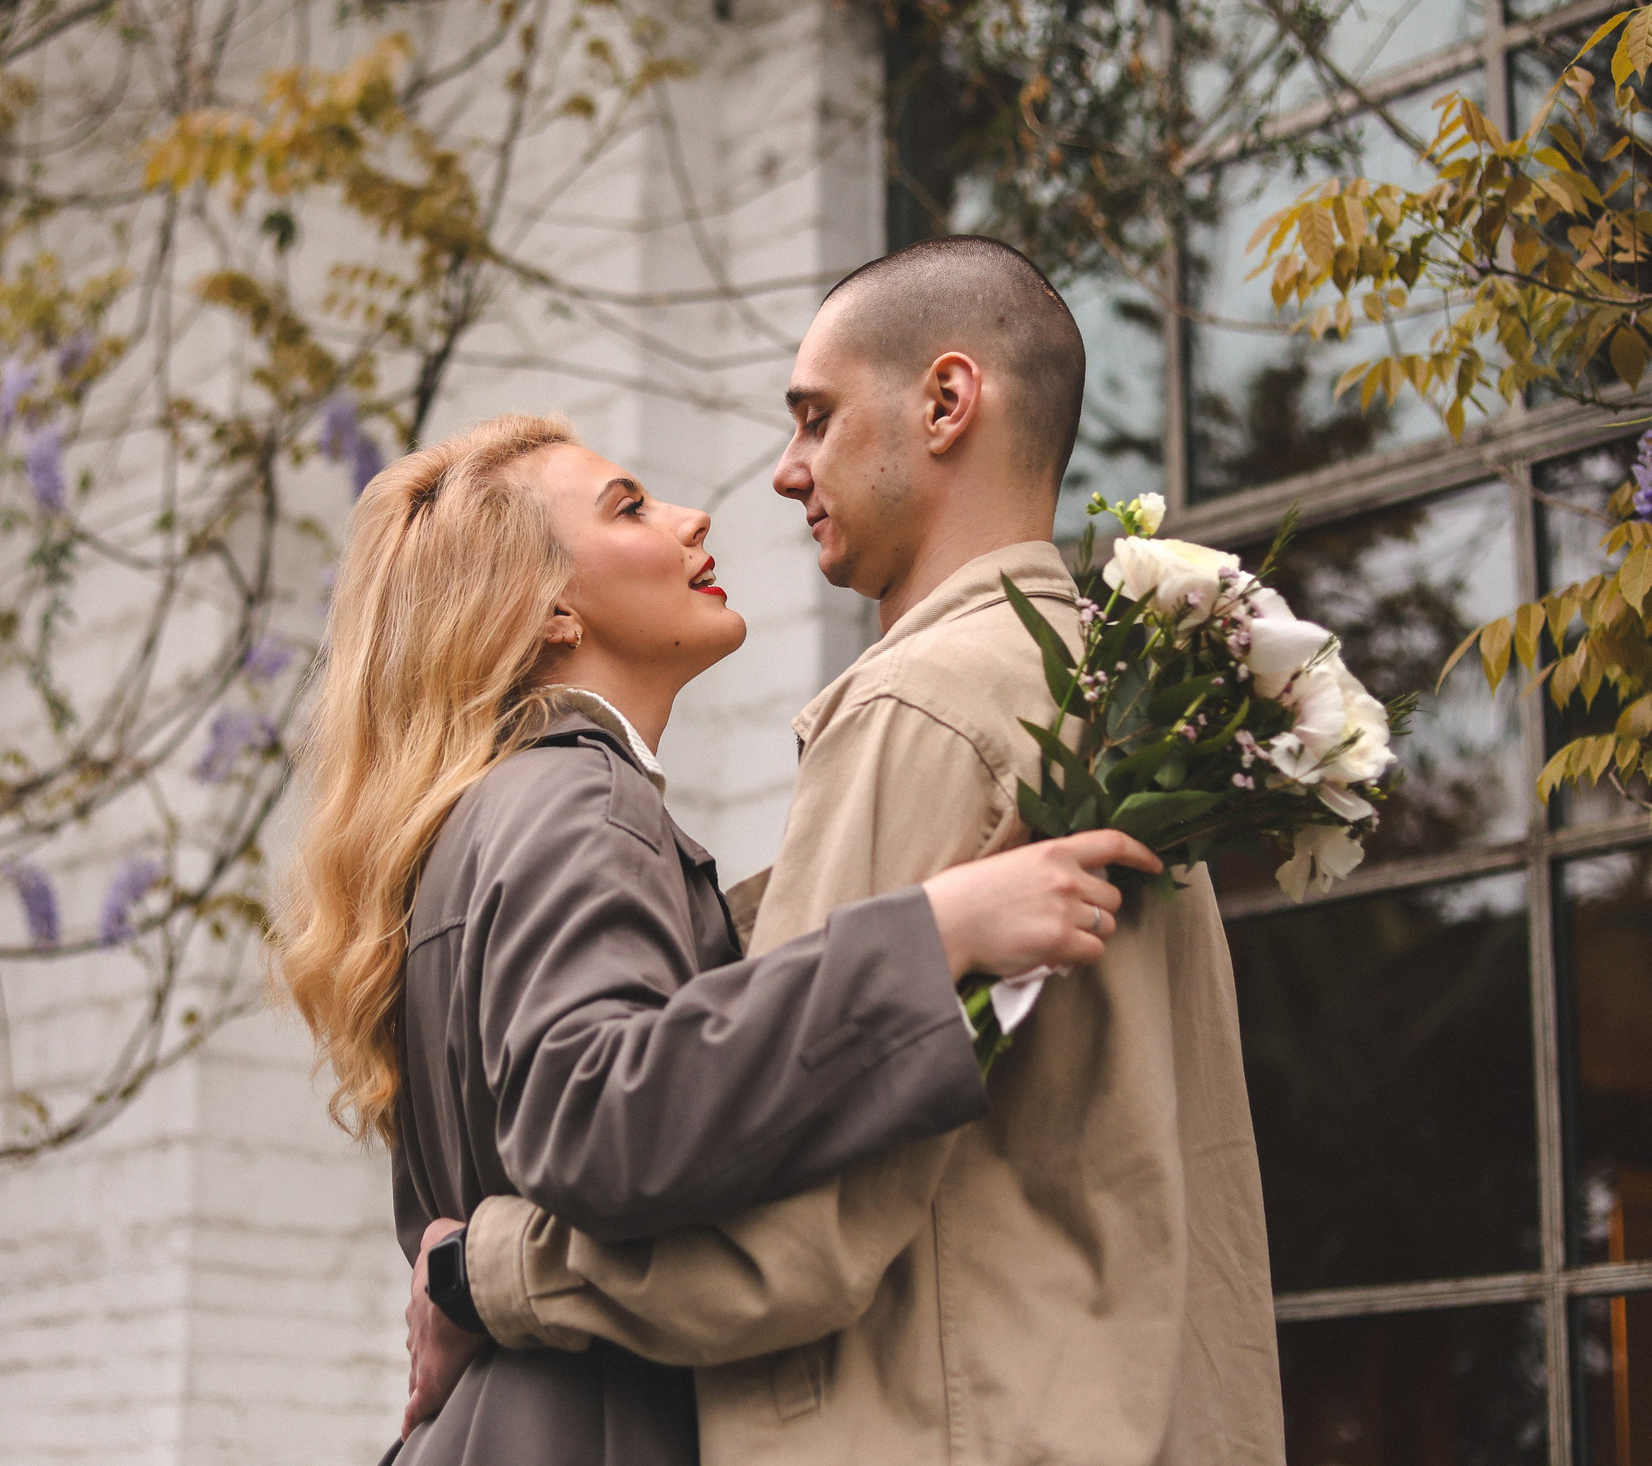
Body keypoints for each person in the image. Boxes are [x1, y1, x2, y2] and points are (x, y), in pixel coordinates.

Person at [405, 237, 1286, 1465]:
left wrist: (480, 1275)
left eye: (812, 420)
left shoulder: (919, 710)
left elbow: (786, 1241)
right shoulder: (1118, 702)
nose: (779, 474)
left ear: (944, 401)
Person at [276, 410, 1164, 1466]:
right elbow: (594, 1107)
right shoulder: (578, 803)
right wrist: (933, 934)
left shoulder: (495, 814)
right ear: (547, 606)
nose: (694, 519)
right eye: (631, 508)